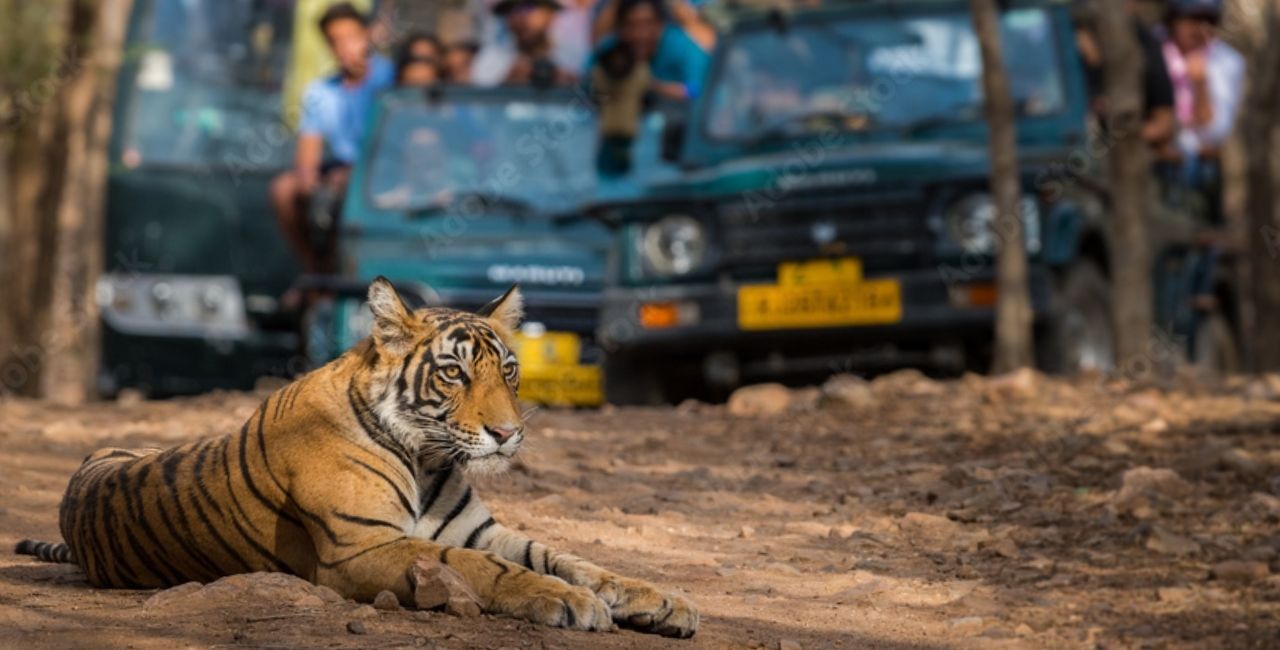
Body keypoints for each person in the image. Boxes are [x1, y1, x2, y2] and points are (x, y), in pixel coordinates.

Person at [270, 3, 393, 279]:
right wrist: (310, 182)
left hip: (382, 171)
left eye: (352, 37)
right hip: (338, 173)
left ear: (367, 35)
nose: (345, 47)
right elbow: (307, 158)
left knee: (346, 191)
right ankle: (317, 273)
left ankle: (339, 277)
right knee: (284, 190)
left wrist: (353, 175)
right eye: (336, 41)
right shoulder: (320, 91)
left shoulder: (391, 78)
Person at [1072, 0, 1177, 153]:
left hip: (1121, 152)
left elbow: (1163, 124)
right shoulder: (1067, 32)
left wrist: (1118, 137)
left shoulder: (1146, 47)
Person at [1161, 0, 1244, 170]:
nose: (1199, 28)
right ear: (1172, 20)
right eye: (1191, 18)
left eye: (1208, 20)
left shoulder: (1228, 61)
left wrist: (1200, 85)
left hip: (1198, 167)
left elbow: (1214, 134)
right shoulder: (1153, 50)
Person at [590, 0, 710, 102]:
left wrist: (652, 87)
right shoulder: (610, 47)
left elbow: (697, 91)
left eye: (647, 24)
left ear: (660, 24)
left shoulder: (683, 46)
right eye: (631, 25)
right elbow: (586, 86)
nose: (640, 34)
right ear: (620, 28)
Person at [470, 0, 584, 86]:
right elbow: (480, 108)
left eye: (528, 7)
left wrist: (573, 84)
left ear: (550, 13)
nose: (518, 17)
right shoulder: (490, 59)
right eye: (510, 10)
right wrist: (507, 82)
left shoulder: (576, 58)